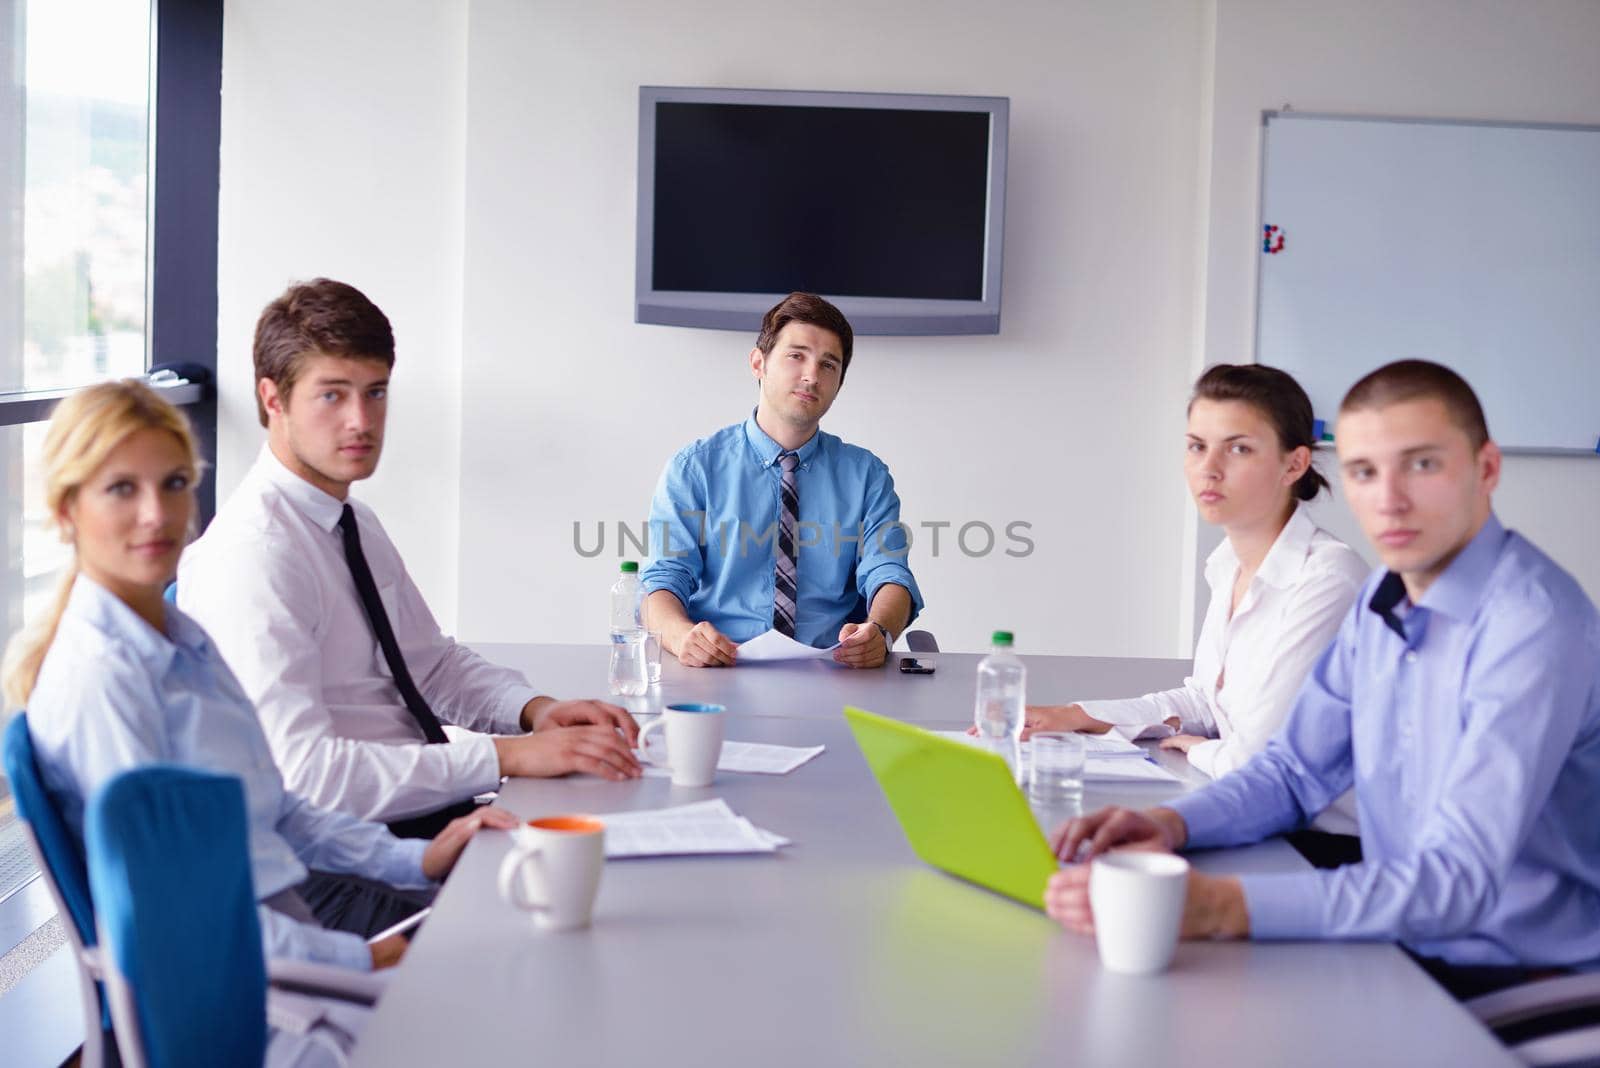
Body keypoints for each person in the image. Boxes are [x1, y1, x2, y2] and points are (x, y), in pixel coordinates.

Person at [1045, 360, 1600, 999]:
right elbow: (1293, 772)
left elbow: (1456, 881)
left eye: (1421, 465)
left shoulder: (1530, 623)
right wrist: (1172, 824)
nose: (1388, 499)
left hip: (1522, 972)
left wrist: (1219, 907)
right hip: (1400, 934)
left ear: (1487, 469)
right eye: (1364, 472)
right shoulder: (1384, 601)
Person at [2, 381, 511, 975]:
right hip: (242, 982)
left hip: (282, 932)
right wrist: (357, 956)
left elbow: (276, 807)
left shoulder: (180, 637)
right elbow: (178, 908)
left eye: (173, 484)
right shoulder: (102, 680)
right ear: (66, 512)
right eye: (121, 489)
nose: (156, 514)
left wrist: (414, 861)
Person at [179, 279, 639, 839]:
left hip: (420, 818)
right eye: (332, 394)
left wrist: (535, 712)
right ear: (273, 400)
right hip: (347, 857)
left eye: (375, 392)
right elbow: (304, 777)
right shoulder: (257, 555)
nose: (361, 420)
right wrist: (508, 757)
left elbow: (428, 666)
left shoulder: (350, 521)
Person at [1025, 364, 1368, 864]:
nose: (1209, 467)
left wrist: (1195, 747)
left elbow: (1260, 763)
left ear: (1293, 465)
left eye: (1239, 448)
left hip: (1320, 848)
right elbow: (1208, 700)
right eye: (1196, 445)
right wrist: (1081, 715)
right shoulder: (1229, 564)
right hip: (1254, 822)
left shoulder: (1328, 580)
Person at [640, 292, 923, 669]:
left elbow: (888, 572)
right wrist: (681, 638)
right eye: (796, 355)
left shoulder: (866, 475)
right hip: (719, 667)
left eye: (828, 365)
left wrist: (880, 632)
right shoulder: (695, 468)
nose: (811, 375)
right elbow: (663, 577)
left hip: (832, 670)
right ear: (759, 363)